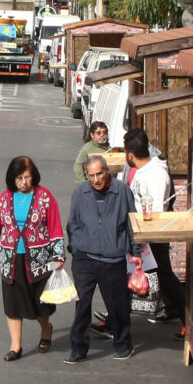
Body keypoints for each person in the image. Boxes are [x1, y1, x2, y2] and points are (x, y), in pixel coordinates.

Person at [0, 155, 65, 361]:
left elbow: (55, 227)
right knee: (13, 305)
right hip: (11, 261)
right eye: (20, 178)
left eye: (28, 177)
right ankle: (16, 346)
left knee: (40, 304)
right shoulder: (4, 199)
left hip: (39, 262)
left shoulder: (45, 197)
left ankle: (45, 329)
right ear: (12, 179)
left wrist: (58, 254)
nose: (24, 182)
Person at [63, 153, 137, 362]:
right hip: (85, 259)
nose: (96, 180)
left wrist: (136, 252)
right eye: (91, 175)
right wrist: (76, 248)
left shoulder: (122, 191)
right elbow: (73, 224)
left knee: (117, 306)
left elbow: (132, 224)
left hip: (113, 260)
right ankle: (78, 349)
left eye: (99, 174)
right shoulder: (80, 193)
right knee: (82, 305)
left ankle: (123, 345)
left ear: (107, 172)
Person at [122, 127, 186, 333]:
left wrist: (143, 239)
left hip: (150, 237)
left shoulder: (157, 174)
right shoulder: (145, 171)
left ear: (130, 154)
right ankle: (116, 319)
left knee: (165, 277)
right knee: (128, 275)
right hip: (140, 234)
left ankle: (188, 321)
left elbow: (157, 210)